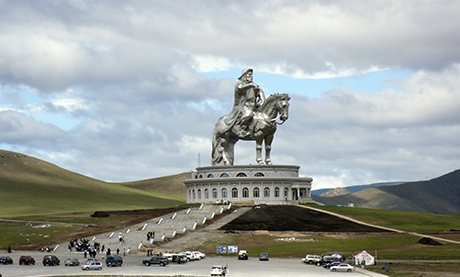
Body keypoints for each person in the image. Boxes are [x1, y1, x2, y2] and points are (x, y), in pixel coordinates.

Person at [225, 68, 265, 137]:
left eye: (251, 75)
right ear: (244, 76)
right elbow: (240, 88)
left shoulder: (253, 85)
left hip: (254, 105)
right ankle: (241, 129)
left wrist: (261, 97)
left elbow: (259, 91)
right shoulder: (240, 84)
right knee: (248, 114)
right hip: (243, 106)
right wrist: (251, 85)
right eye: (249, 75)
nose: (251, 76)